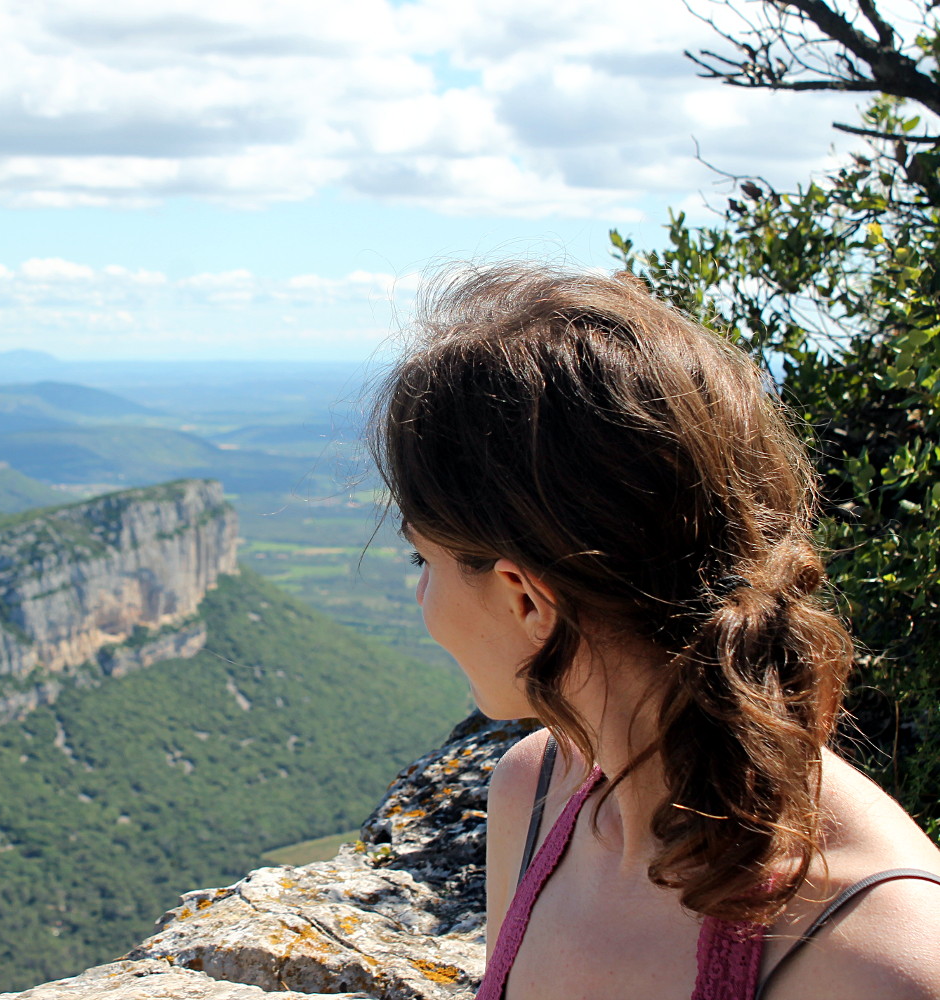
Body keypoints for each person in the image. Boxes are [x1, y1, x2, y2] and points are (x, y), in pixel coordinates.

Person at [371, 264, 940, 1000]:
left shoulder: (884, 962)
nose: (422, 596)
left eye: (423, 560)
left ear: (525, 599)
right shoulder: (532, 792)